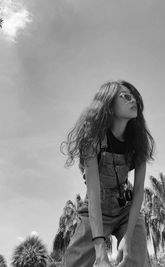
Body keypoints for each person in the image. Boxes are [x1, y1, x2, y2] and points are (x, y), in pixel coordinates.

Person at [60, 80, 155, 267]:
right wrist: (100, 249)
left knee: (136, 259)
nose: (133, 100)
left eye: (134, 97)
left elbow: (137, 192)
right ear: (109, 105)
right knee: (73, 263)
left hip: (126, 209)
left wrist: (127, 237)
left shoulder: (139, 141)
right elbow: (94, 193)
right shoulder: (92, 139)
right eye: (125, 96)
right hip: (96, 209)